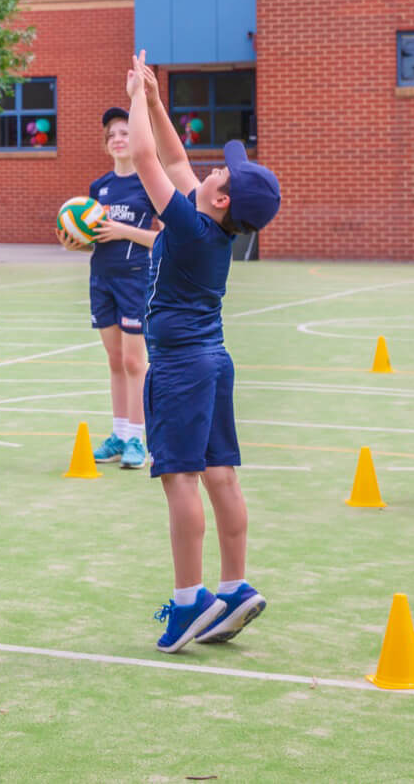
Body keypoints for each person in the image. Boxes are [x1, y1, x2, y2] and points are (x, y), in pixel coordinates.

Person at [122, 52, 283, 652]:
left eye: (224, 175)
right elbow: (175, 159)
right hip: (213, 361)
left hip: (180, 368)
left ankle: (190, 599)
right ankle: (234, 587)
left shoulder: (190, 228)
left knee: (179, 479)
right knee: (220, 473)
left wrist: (134, 97)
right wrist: (156, 100)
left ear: (221, 201)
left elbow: (146, 159)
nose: (215, 169)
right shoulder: (210, 224)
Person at [82, 105, 160, 470]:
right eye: (111, 134)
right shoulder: (99, 187)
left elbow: (164, 240)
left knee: (133, 362)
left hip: (135, 279)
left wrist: (123, 231)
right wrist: (74, 239)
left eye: (125, 133)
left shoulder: (149, 185)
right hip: (101, 278)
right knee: (115, 361)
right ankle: (118, 434)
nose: (117, 139)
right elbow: (92, 235)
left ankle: (136, 439)